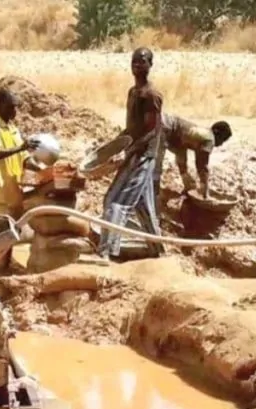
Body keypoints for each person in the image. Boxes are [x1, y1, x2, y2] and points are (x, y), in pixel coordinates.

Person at [97, 47, 165, 265]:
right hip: (133, 152)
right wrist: (114, 146)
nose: (137, 64)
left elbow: (152, 131)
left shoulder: (152, 95)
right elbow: (132, 128)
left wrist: (129, 152)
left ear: (150, 65)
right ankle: (158, 250)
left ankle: (107, 251)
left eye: (142, 61)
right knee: (143, 206)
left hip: (143, 156)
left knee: (116, 201)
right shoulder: (133, 93)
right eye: (134, 60)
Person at [0, 87, 41, 271]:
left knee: (10, 238)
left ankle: (4, 270)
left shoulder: (13, 129)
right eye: (11, 107)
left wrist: (42, 169)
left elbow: (23, 159)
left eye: (16, 107)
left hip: (13, 192)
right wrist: (21, 148)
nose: (15, 111)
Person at [162, 114, 233, 198]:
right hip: (166, 128)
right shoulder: (210, 139)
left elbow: (180, 150)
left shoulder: (199, 134)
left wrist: (185, 176)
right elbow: (202, 165)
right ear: (217, 133)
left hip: (165, 122)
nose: (221, 144)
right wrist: (205, 188)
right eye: (222, 140)